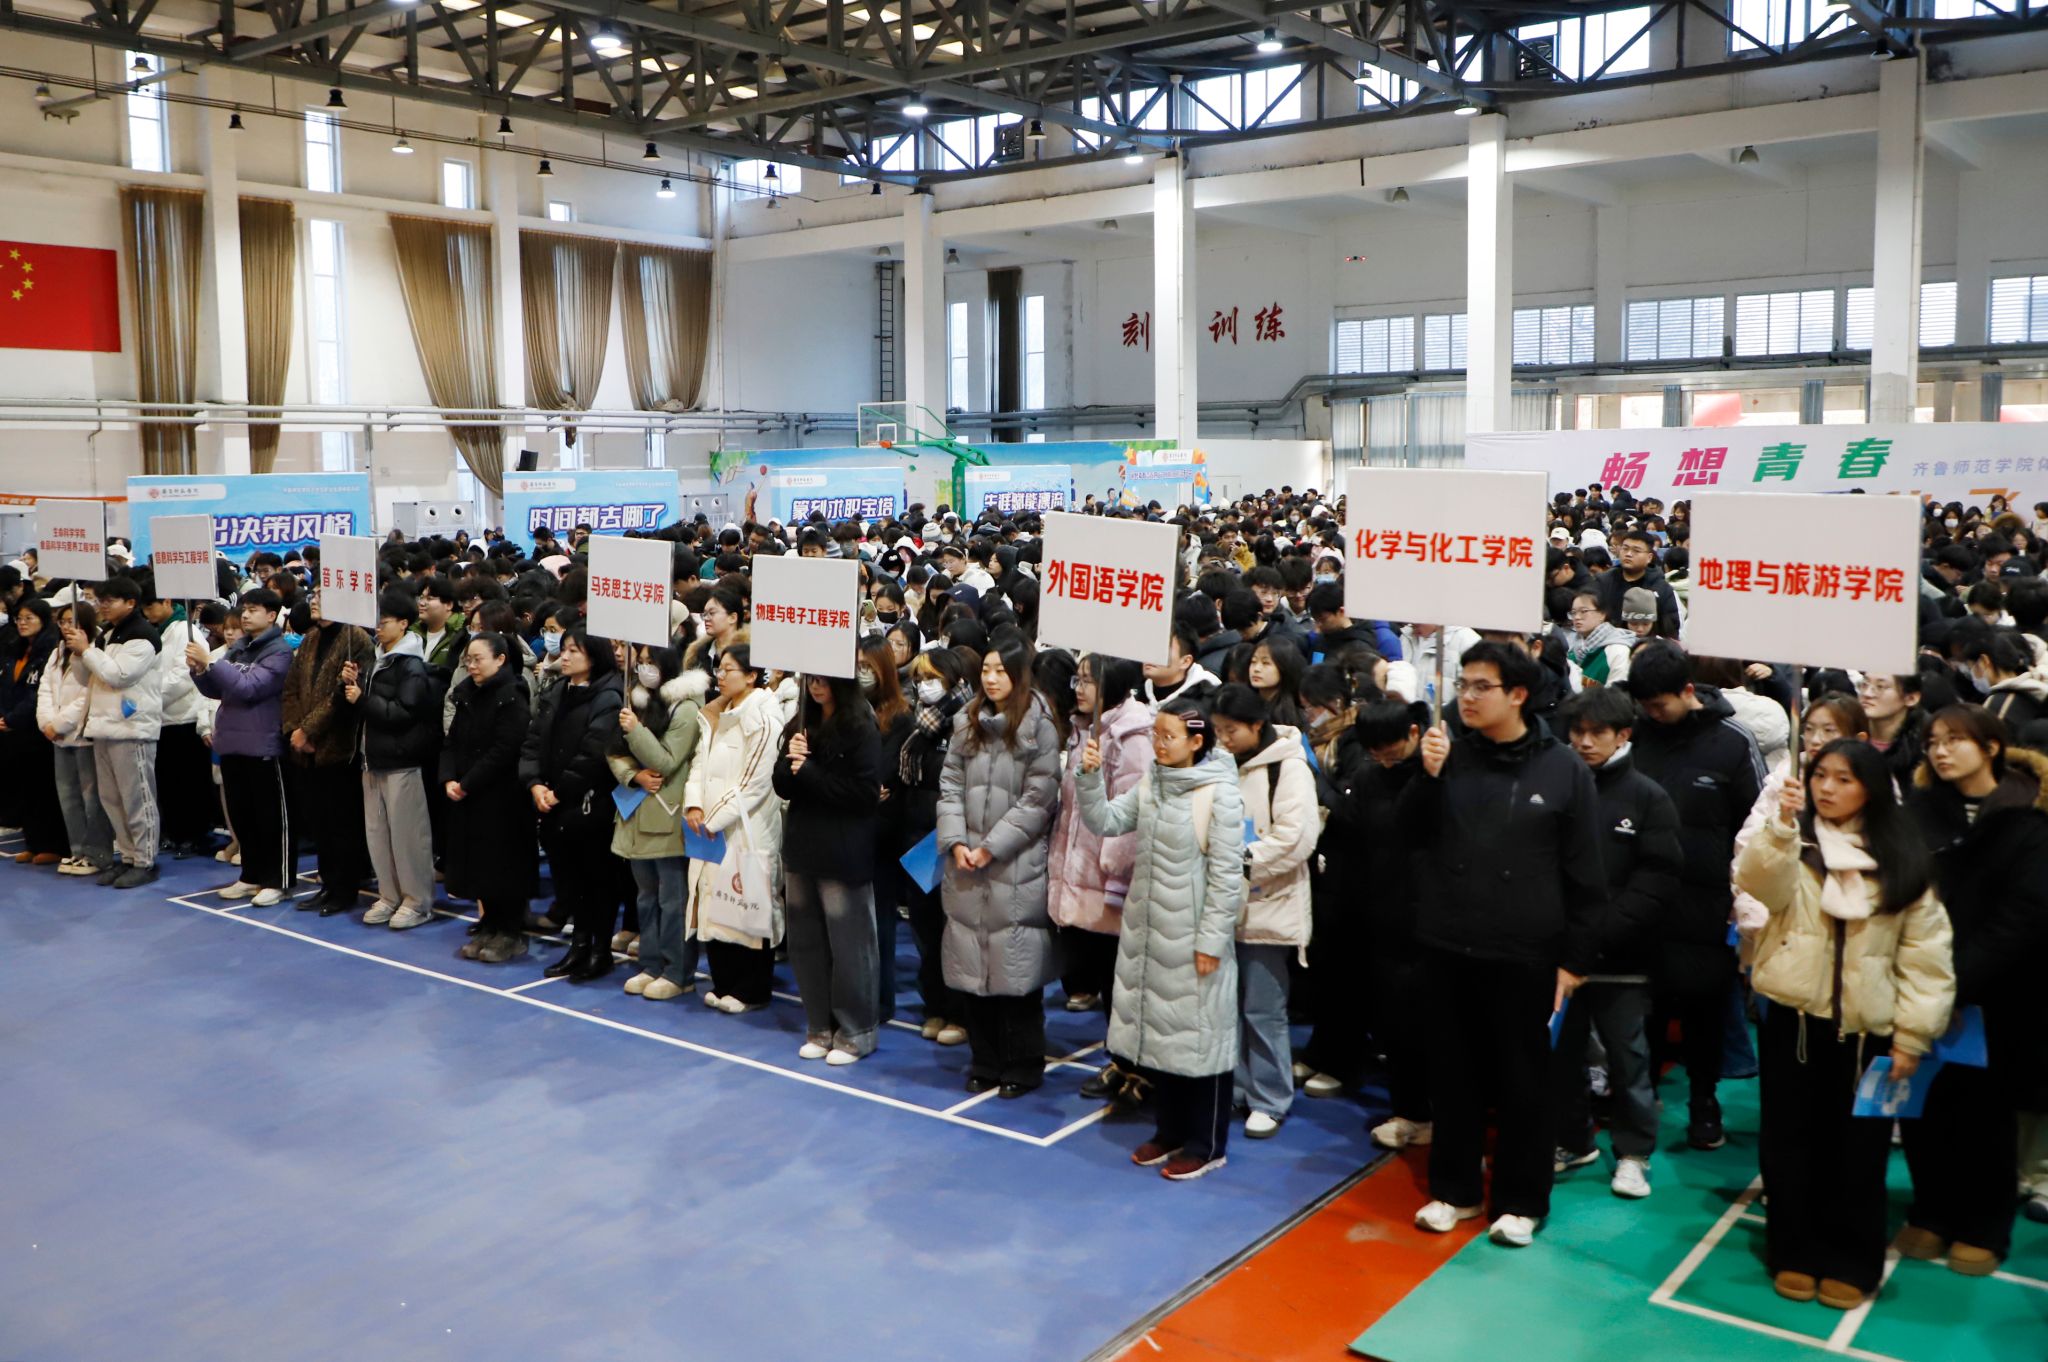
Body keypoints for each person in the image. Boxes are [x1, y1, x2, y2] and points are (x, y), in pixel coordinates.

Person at [1401, 641, 1609, 1247]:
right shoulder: (1448, 753)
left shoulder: (1562, 768)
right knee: (1453, 1077)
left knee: (1525, 1083)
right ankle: (1455, 1191)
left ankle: (1521, 1201)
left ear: (1517, 694)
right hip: (1449, 945)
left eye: (1481, 687)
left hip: (1528, 953)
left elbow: (1586, 873)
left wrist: (1576, 960)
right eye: (1463, 684)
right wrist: (1425, 776)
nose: (1466, 697)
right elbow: (1408, 834)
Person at [1734, 738, 1953, 1310]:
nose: (1826, 788)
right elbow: (1758, 883)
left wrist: (1912, 1035)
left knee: (1860, 1152)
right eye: (1819, 776)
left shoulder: (1903, 856)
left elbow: (1926, 957)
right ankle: (1793, 1251)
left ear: (1871, 789)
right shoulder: (1795, 842)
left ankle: (1853, 1259)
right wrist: (1781, 826)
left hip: (1868, 1036)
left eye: (1843, 778)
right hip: (1794, 1026)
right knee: (1789, 1144)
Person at [1077, 696, 1247, 1181]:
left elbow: (1226, 878)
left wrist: (1211, 942)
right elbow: (1107, 821)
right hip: (1150, 936)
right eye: (1156, 734)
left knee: (1204, 1042)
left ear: (1197, 741)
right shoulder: (1154, 781)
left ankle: (1207, 1144)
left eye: (1169, 737)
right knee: (1164, 1037)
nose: (1159, 744)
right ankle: (1170, 1131)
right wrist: (1089, 778)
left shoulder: (1219, 794)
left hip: (1195, 941)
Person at [1903, 706, 2048, 1276]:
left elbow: (2024, 915)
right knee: (1923, 1107)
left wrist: (1958, 978)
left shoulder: (2030, 816)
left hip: (1999, 995)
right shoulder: (1919, 812)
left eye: (1955, 740)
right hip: (1920, 984)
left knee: (1986, 1116)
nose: (1940, 751)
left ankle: (1984, 1226)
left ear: (1991, 747)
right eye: (1933, 741)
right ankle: (1930, 1212)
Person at [1625, 641, 1766, 1151]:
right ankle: (1638, 1108)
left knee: (1704, 1013)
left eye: (1659, 705)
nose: (1652, 714)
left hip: (1706, 906)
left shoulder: (1732, 741)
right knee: (1644, 1012)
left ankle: (1705, 1103)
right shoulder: (1635, 734)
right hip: (1640, 900)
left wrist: (1740, 898)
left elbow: (1757, 824)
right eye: (1644, 706)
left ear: (1688, 691)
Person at [1551, 686, 1683, 1200]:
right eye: (1577, 732)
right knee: (1560, 1058)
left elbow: (1657, 880)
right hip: (1560, 956)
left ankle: (1633, 1154)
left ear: (1623, 735)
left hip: (1622, 959)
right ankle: (1571, 1140)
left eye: (1597, 733)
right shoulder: (1557, 786)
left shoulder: (1648, 797)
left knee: (1628, 1061)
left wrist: (1598, 933)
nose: (1585, 742)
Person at [937, 636, 1063, 1096]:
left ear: (1020, 675)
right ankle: (985, 1059)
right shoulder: (966, 721)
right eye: (986, 670)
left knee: (1016, 971)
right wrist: (956, 841)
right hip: (966, 862)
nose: (991, 679)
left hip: (1016, 864)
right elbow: (950, 784)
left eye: (1001, 671)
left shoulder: (1040, 726)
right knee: (972, 967)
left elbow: (1038, 799)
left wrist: (991, 847)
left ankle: (1023, 1065)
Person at [1210, 684, 1317, 1139]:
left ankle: (1270, 1098)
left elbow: (1297, 837)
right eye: (1217, 730)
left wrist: (1240, 860)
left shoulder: (1289, 768)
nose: (1223, 739)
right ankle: (1237, 1087)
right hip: (1221, 906)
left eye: (1230, 730)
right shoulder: (1218, 763)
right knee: (1225, 1007)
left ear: (1257, 725)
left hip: (1268, 908)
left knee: (1263, 1009)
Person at [773, 671, 883, 1065]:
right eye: (811, 680)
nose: (816, 687)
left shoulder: (861, 725)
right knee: (806, 943)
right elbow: (781, 785)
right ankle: (818, 1024)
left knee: (850, 945)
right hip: (802, 846)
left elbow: (864, 795)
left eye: (823, 680)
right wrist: (790, 762)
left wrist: (810, 771)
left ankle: (856, 1030)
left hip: (843, 850)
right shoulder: (800, 722)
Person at [1048, 655, 1152, 1017]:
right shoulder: (1083, 728)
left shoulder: (1132, 737)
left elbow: (1130, 819)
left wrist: (1116, 877)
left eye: (1088, 681)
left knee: (1117, 984)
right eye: (1077, 680)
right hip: (1080, 872)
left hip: (1109, 880)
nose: (1078, 689)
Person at [520, 629, 626, 978]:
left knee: (597, 880)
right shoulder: (557, 690)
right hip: (554, 802)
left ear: (593, 656)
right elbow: (533, 740)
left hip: (589, 805)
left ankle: (600, 951)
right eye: (563, 650)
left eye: (573, 651)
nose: (564, 657)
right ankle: (578, 946)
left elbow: (593, 754)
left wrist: (559, 792)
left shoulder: (609, 697)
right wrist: (535, 783)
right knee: (571, 880)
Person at [684, 645, 783, 1012]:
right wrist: (694, 804)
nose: (721, 676)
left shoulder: (764, 718)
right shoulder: (714, 713)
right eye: (719, 669)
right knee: (714, 903)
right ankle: (723, 982)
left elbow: (754, 782)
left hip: (746, 826)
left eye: (729, 669)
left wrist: (713, 819)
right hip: (710, 827)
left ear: (752, 676)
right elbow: (699, 762)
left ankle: (753, 990)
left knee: (747, 904)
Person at [610, 643, 706, 1000]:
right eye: (642, 662)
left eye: (652, 662)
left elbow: (666, 761)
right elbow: (613, 751)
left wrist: (636, 730)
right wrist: (632, 776)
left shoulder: (686, 708)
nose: (645, 669)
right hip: (636, 811)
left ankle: (678, 971)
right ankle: (650, 965)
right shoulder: (636, 701)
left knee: (673, 900)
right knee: (646, 897)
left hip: (667, 814)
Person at [190, 589, 296, 904]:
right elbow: (217, 689)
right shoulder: (239, 649)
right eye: (244, 609)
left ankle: (277, 880)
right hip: (233, 742)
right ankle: (250, 875)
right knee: (243, 816)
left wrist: (212, 663)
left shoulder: (280, 652)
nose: (246, 615)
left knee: (270, 818)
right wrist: (200, 671)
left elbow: (250, 687)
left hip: (264, 743)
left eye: (253, 610)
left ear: (272, 615)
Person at [894, 647, 974, 1046]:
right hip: (917, 838)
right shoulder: (917, 726)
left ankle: (961, 1012)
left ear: (954, 681)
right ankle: (935, 1006)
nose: (924, 686)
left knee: (954, 931)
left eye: (932, 679)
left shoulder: (969, 724)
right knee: (925, 930)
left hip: (952, 839)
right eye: (919, 679)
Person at [342, 592, 438, 928]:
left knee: (407, 836)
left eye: (383, 623)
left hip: (401, 761)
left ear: (403, 624)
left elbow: (403, 714)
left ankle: (417, 902)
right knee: (378, 835)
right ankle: (389, 895)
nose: (378, 629)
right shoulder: (376, 660)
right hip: (372, 759)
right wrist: (351, 684)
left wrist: (361, 698)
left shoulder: (410, 665)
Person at [280, 590, 376, 914]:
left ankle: (344, 889)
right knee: (319, 822)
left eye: (323, 595)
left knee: (341, 824)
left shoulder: (355, 639)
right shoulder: (310, 638)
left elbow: (341, 696)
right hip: (305, 748)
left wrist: (308, 730)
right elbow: (291, 689)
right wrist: (295, 730)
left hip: (338, 747)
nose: (314, 600)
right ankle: (327, 885)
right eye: (314, 594)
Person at [443, 634, 537, 963]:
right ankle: (489, 924)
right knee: (479, 865)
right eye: (468, 659)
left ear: (500, 660)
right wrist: (448, 777)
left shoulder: (512, 696)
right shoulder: (466, 693)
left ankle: (509, 932)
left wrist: (467, 783)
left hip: (503, 797)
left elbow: (505, 749)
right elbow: (452, 740)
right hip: (469, 794)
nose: (471, 665)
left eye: (478, 659)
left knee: (503, 866)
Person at [70, 577, 165, 888]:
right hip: (103, 725)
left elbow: (119, 675)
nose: (103, 606)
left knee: (137, 799)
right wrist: (78, 652)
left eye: (110, 600)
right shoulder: (107, 634)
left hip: (131, 727)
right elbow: (87, 678)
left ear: (131, 603)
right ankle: (126, 856)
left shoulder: (143, 636)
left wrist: (88, 651)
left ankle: (145, 861)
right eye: (101, 600)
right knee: (112, 800)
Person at [40, 599, 114, 877]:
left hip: (83, 734)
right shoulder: (57, 653)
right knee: (68, 796)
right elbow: (45, 690)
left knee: (92, 798)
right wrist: (47, 723)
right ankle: (78, 850)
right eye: (62, 621)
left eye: (71, 621)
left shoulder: (95, 650)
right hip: (58, 738)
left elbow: (88, 694)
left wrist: (61, 723)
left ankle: (97, 854)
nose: (65, 627)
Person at [862, 634, 913, 1023]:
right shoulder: (845, 710)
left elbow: (883, 775)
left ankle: (880, 1001)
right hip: (847, 826)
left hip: (881, 832)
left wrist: (861, 786)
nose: (861, 674)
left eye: (868, 667)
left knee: (879, 920)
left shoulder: (900, 716)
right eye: (856, 666)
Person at [0, 596, 66, 865]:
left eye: (29, 618)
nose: (22, 623)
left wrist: (13, 718)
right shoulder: (15, 649)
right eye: (19, 618)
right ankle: (33, 842)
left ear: (43, 620)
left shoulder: (50, 650)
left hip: (36, 730)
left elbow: (38, 694)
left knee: (43, 789)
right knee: (22, 789)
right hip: (12, 730)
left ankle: (52, 844)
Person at [1564, 591, 1633, 689]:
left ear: (1602, 614)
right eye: (1573, 612)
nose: (1577, 617)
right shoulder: (1571, 649)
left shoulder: (1618, 650)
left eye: (1584, 611)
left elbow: (1617, 693)